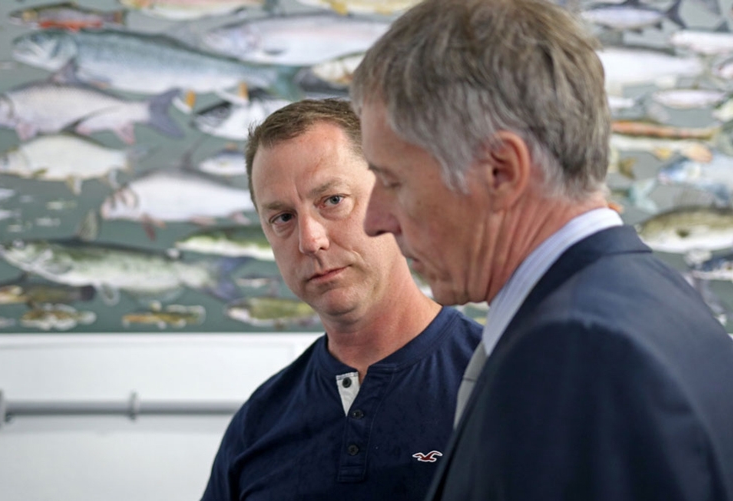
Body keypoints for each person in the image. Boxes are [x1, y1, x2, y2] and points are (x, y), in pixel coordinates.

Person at [351, 0, 733, 500]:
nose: (374, 221)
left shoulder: (577, 353)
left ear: (501, 171)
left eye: (393, 181)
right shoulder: (654, 298)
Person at [200, 98, 483, 501]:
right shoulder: (259, 423)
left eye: (333, 200)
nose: (310, 240)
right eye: (283, 217)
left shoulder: (499, 383)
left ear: (391, 196)